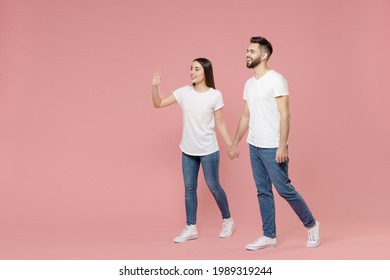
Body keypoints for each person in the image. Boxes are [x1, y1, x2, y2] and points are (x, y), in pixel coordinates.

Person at [228, 37, 320, 250]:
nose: (247, 54)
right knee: (262, 191)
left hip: (272, 146)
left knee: (284, 189)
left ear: (264, 55)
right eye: (247, 51)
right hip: (254, 145)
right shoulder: (249, 84)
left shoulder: (277, 79)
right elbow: (245, 115)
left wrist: (282, 145)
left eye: (251, 51)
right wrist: (235, 142)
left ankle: (312, 225)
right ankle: (269, 235)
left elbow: (285, 114)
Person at [152, 58, 235, 243]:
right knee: (189, 189)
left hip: (208, 149)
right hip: (188, 150)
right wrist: (155, 87)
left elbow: (220, 123)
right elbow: (158, 104)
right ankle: (191, 227)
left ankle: (228, 219)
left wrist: (231, 144)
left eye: (196, 69)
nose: (192, 72)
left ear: (205, 72)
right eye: (191, 68)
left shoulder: (215, 95)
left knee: (213, 186)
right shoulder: (184, 92)